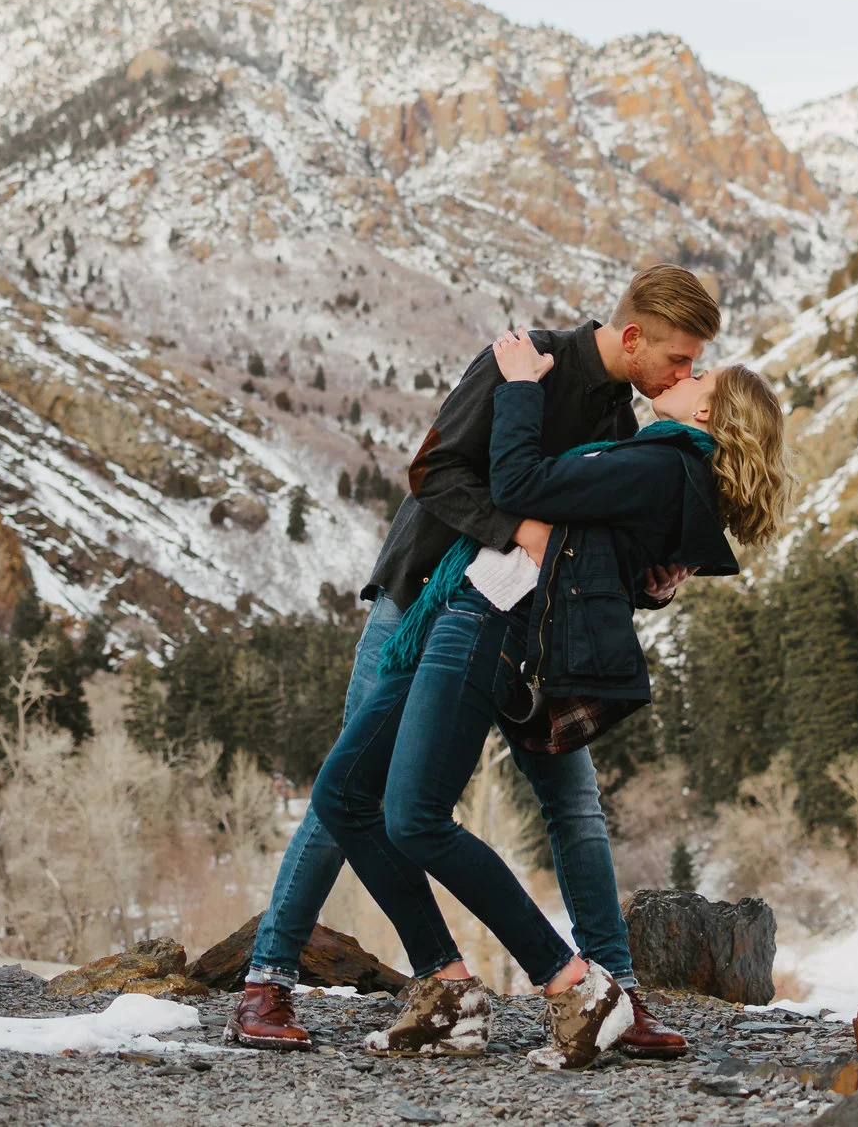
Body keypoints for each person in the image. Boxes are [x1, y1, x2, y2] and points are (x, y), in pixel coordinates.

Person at [225, 266, 723, 1055]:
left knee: (573, 803)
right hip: (422, 600)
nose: (686, 375)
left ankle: (615, 994)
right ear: (635, 338)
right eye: (681, 360)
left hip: (527, 633)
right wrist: (516, 530)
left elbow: (593, 543)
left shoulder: (628, 421)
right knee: (349, 788)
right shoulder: (524, 361)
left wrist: (654, 583)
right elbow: (435, 473)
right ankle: (268, 982)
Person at [309, 329, 791, 1069]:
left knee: (414, 816)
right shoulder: (658, 462)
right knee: (345, 794)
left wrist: (523, 385)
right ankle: (446, 989)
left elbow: (519, 485)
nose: (689, 375)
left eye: (703, 377)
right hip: (457, 604)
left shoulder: (665, 466)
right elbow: (596, 545)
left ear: (710, 416)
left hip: (490, 621)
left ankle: (575, 985)